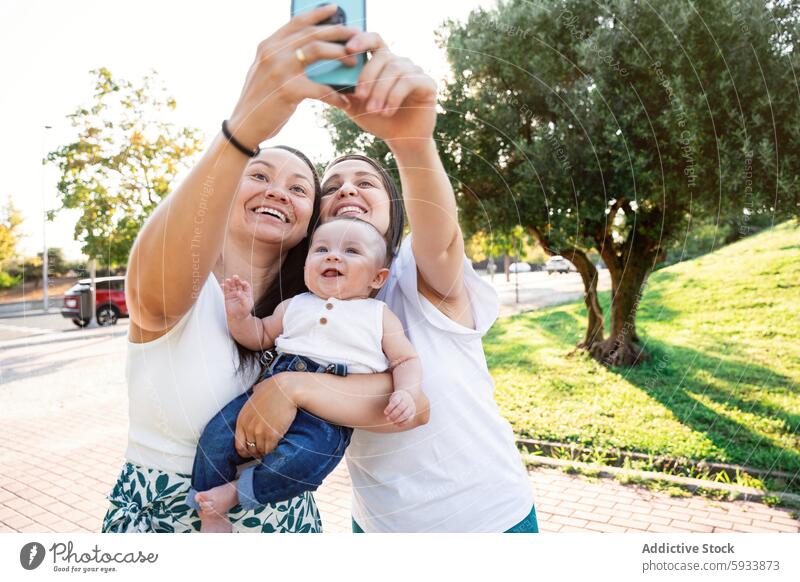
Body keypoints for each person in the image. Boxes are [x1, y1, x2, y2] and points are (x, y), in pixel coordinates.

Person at [102, 5, 428, 533]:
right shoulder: (192, 287)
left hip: (290, 528)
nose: (278, 189)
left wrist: (293, 389)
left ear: (309, 228)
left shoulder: (308, 312)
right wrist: (247, 125)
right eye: (259, 175)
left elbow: (399, 400)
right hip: (167, 526)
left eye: (300, 188)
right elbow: (155, 287)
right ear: (228, 190)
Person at [234, 30, 538, 532]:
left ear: (394, 208)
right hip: (376, 527)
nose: (347, 188)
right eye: (330, 188)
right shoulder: (311, 298)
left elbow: (439, 239)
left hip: (486, 522)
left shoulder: (418, 272)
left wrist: (410, 141)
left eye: (365, 181)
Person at [187, 218, 424, 532]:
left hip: (326, 413)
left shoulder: (378, 316)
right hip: (268, 389)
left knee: (302, 462)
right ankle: (207, 506)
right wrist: (240, 315)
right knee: (215, 436)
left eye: (351, 251)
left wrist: (406, 391)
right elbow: (259, 336)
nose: (332, 256)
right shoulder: (294, 305)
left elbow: (405, 359)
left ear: (378, 277)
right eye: (322, 249)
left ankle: (233, 494)